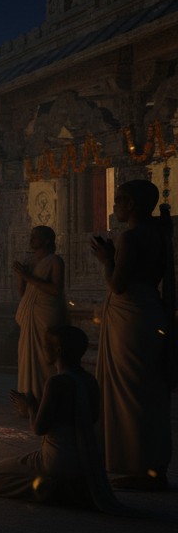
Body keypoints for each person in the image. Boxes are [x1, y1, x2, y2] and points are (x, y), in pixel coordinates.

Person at [0, 325, 131, 514]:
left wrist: (29, 407)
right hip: (84, 462)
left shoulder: (57, 383)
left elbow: (39, 428)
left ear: (58, 350)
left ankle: (50, 491)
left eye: (46, 346)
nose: (43, 350)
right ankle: (64, 486)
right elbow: (91, 419)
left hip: (55, 460)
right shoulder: (90, 381)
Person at [90, 178, 174, 492]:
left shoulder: (131, 237)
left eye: (119, 201)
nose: (115, 206)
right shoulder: (160, 233)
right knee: (147, 391)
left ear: (133, 205)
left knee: (131, 392)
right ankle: (152, 466)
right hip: (149, 310)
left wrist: (106, 259)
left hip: (131, 316)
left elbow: (117, 284)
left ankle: (140, 467)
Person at [13, 226, 68, 402]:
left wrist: (28, 277)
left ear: (46, 241)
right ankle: (29, 399)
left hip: (46, 313)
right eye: (31, 236)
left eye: (35, 237)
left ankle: (48, 399)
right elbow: (24, 293)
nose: (31, 240)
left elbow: (55, 289)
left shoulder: (55, 261)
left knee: (46, 355)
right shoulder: (30, 262)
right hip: (31, 313)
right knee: (27, 357)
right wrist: (21, 275)